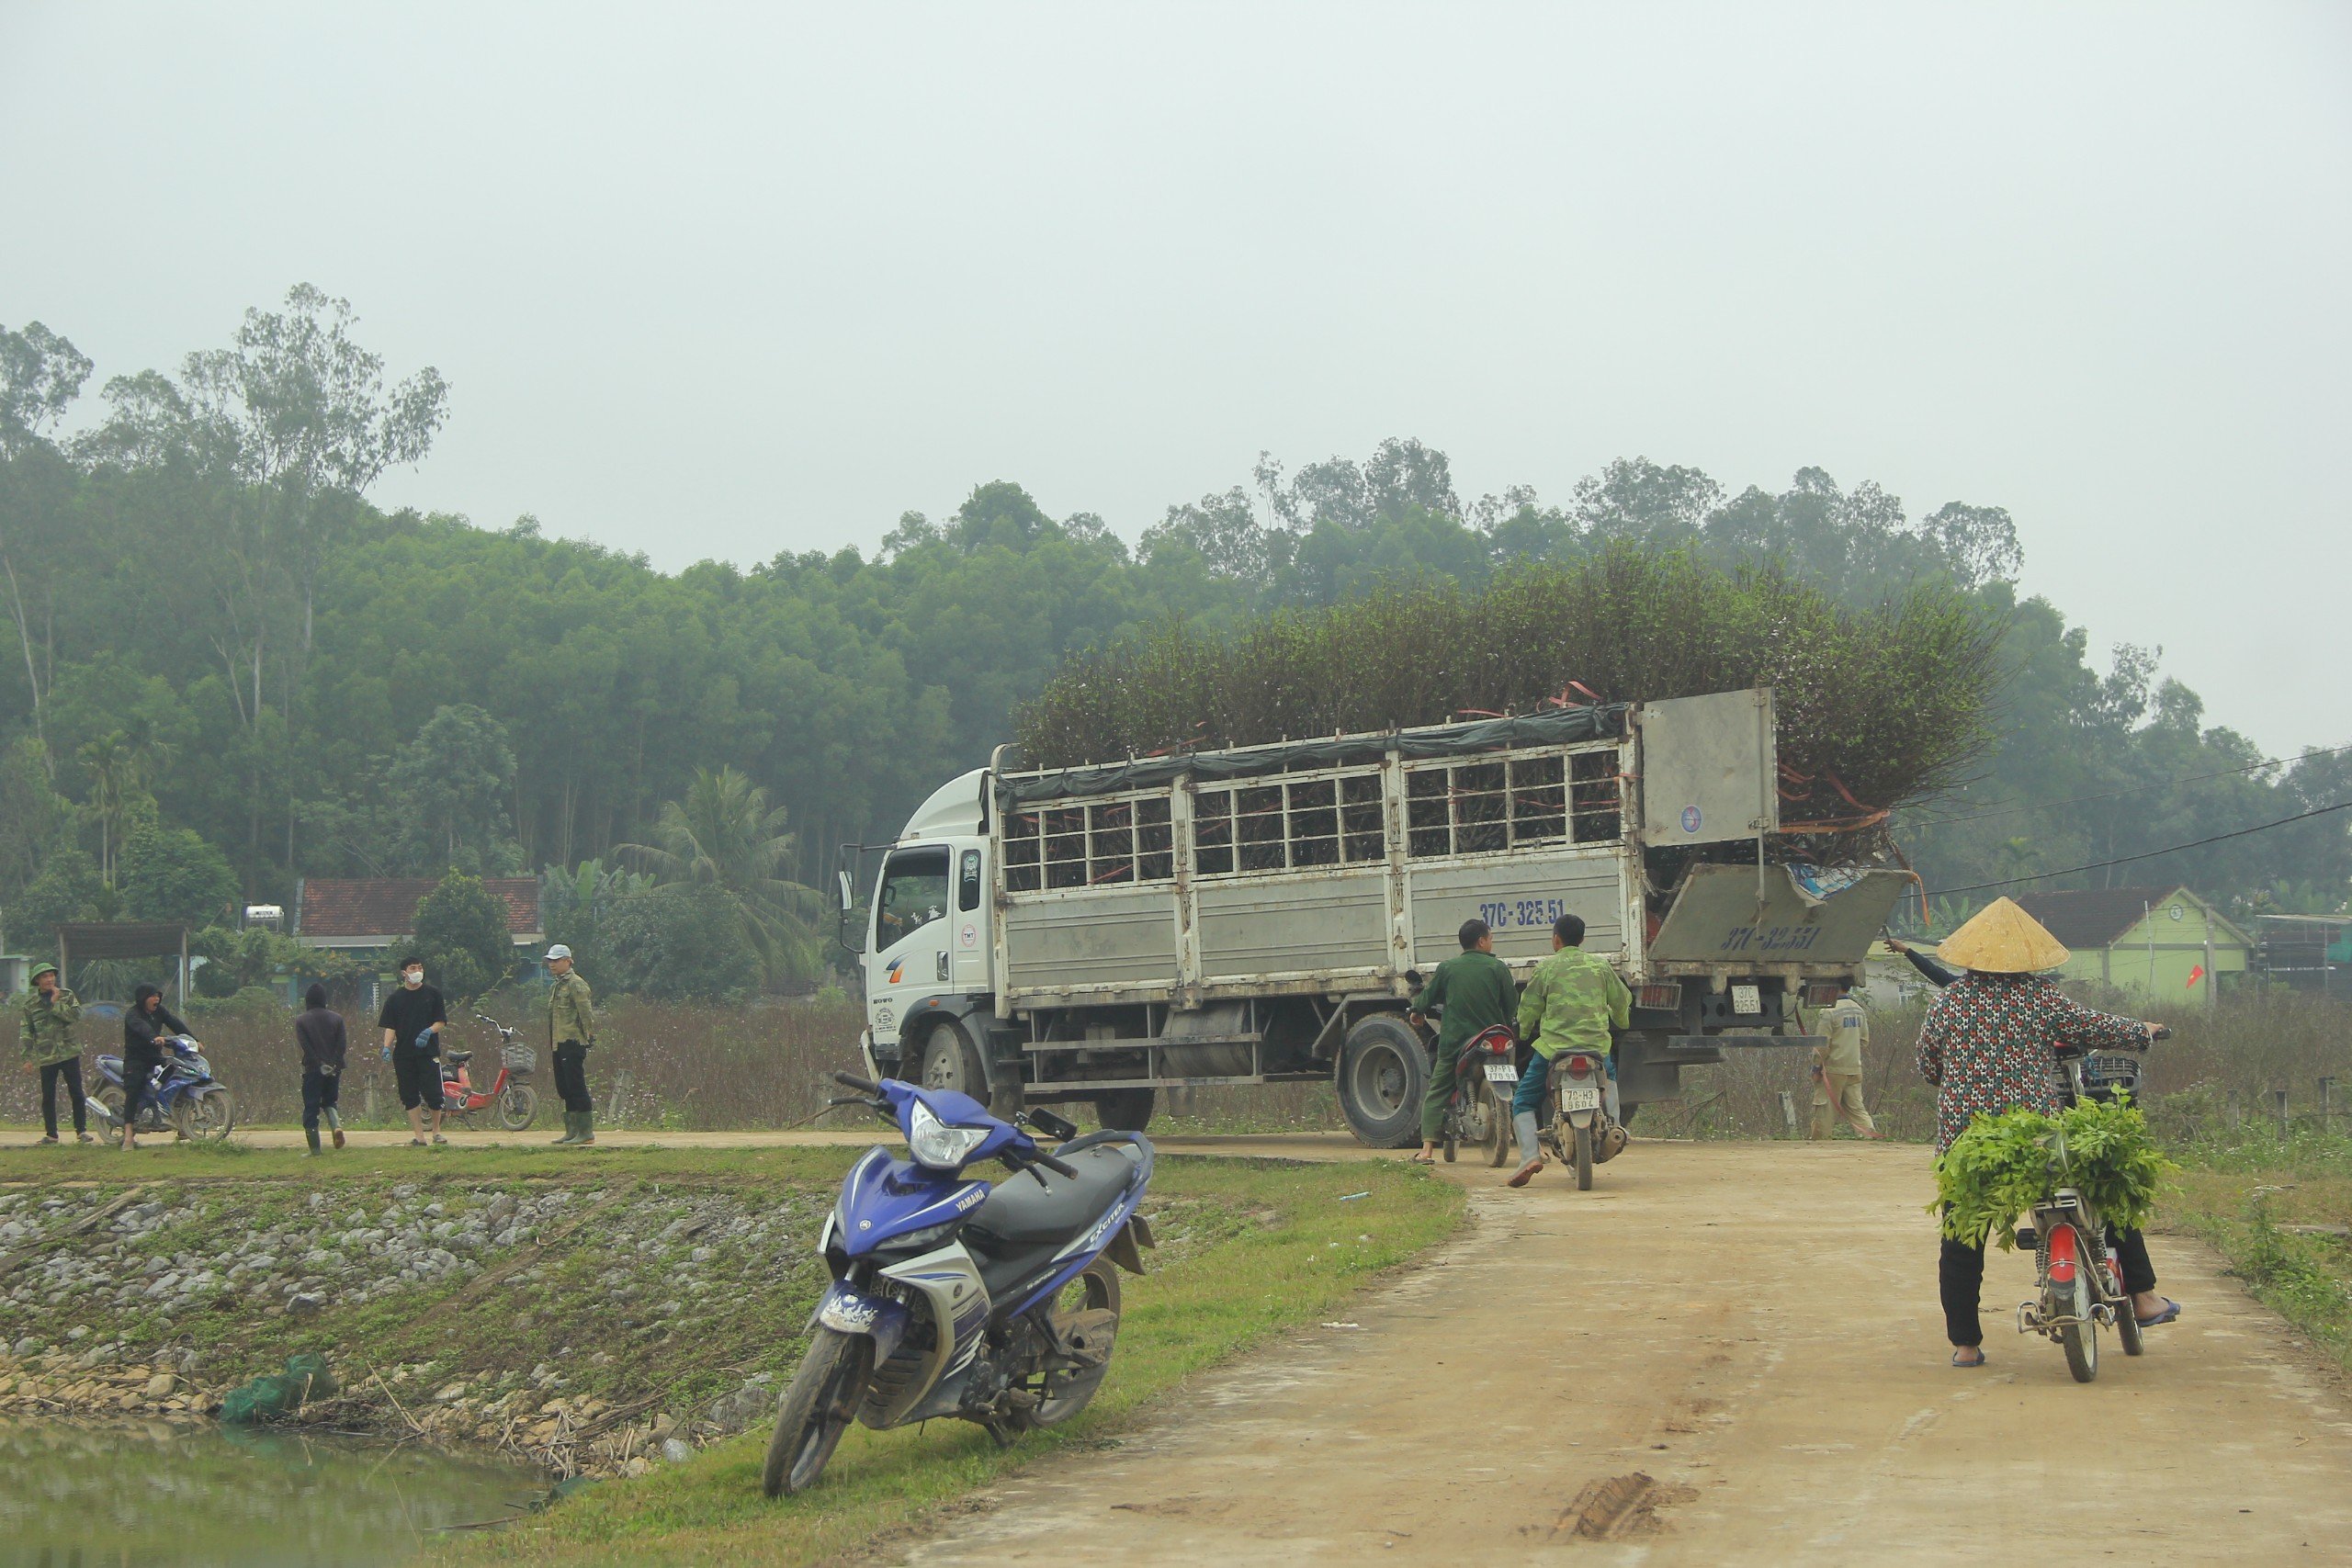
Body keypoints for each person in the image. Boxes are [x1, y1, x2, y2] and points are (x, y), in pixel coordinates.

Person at [1915, 897, 2179, 1369]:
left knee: (1961, 1240)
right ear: (2026, 956)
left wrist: (1961, 1084)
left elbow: (1927, 1065)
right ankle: (2143, 1297)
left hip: (1967, 1145)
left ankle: (1966, 1345)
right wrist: (2142, 1030)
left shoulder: (1948, 1002)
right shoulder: (2039, 999)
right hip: (2034, 1139)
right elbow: (2094, 1025)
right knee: (2105, 1187)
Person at [1506, 912, 1630, 1188]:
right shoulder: (1600, 966)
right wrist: (1622, 1022)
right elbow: (1621, 1001)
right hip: (1596, 1048)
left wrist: (1523, 1033)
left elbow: (1528, 1009)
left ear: (1556, 939)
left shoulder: (1546, 969)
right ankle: (1616, 1128)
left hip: (1554, 1051)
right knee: (1609, 1080)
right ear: (1583, 939)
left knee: (1523, 1101)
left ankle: (1529, 1157)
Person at [1408, 919, 1519, 1164]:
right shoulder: (1497, 968)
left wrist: (1417, 1011)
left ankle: (1426, 1150)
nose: (1491, 942)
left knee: (1437, 1090)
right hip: (1492, 1039)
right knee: (1515, 1087)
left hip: (1456, 1043)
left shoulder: (1448, 968)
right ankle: (1534, 1148)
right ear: (1481, 941)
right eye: (1490, 938)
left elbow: (1427, 998)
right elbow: (1511, 1005)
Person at [377, 955, 448, 1148]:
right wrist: (386, 1046)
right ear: (404, 973)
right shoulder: (395, 999)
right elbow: (390, 1026)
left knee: (434, 1093)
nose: (417, 971)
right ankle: (419, 1136)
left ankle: (436, 1132)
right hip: (404, 1054)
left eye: (419, 967)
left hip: (428, 1052)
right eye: (412, 968)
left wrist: (429, 1031)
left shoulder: (433, 994)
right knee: (409, 1094)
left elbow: (441, 1021)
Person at [19, 962, 92, 1145]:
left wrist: (55, 1003)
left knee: (76, 1092)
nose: (49, 979)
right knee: (48, 1096)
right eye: (45, 976)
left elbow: (75, 1016)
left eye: (51, 975)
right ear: (37, 980)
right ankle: (52, 1134)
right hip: (47, 1056)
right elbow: (27, 1032)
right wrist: (27, 1058)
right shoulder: (30, 1005)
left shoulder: (66, 996)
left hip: (69, 1052)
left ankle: (81, 1131)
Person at [1806, 982, 1883, 1141]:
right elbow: (1864, 1041)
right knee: (1857, 1110)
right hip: (1854, 1069)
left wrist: (1816, 1067)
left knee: (1824, 1111)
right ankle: (1870, 1139)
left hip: (1832, 1071)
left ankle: (1819, 1146)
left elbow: (1822, 1045)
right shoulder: (1858, 1009)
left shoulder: (1828, 1012)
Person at [119, 984, 189, 1151]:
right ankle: (128, 1135)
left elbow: (174, 1023)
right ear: (143, 998)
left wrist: (195, 1039)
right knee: (134, 1089)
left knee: (176, 1077)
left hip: (155, 1057)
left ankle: (180, 1123)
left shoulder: (159, 1011)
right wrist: (155, 1037)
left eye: (158, 996)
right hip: (136, 1060)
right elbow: (142, 1028)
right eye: (152, 996)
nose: (156, 999)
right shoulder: (133, 1014)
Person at [543, 944, 599, 1146]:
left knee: (576, 1085)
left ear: (568, 961)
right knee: (564, 1087)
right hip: (558, 1042)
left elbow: (586, 1013)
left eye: (556, 961)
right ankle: (571, 1131)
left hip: (573, 1041)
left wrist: (588, 1035)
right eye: (550, 961)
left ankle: (586, 1132)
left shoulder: (576, 984)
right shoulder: (556, 986)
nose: (552, 964)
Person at [295, 984, 348, 1156]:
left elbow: (306, 1046)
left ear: (308, 1000)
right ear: (325, 1000)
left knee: (311, 1107)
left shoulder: (302, 1020)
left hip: (313, 1070)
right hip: (334, 1069)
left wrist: (319, 1064)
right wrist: (333, 1064)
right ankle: (336, 1127)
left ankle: (315, 1150)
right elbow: (341, 1045)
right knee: (329, 1101)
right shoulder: (337, 1018)